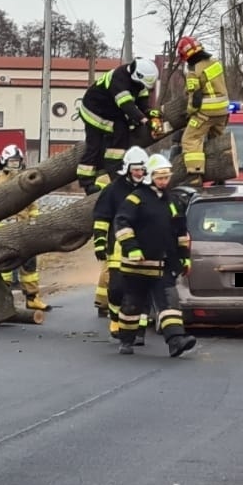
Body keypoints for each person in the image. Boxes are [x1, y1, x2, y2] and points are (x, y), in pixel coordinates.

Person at [112, 152, 197, 357]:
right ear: (150, 177)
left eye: (166, 177)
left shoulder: (173, 201)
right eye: (159, 177)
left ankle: (176, 340)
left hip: (164, 264)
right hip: (138, 265)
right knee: (133, 303)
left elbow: (181, 233)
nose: (163, 181)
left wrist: (184, 257)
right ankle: (126, 339)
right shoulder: (135, 199)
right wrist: (132, 248)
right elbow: (121, 223)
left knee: (169, 301)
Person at [91, 145, 152, 340]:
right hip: (118, 248)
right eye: (135, 169)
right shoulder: (113, 190)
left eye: (142, 169)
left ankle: (139, 329)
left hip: (145, 249)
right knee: (117, 289)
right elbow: (102, 218)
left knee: (142, 289)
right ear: (127, 169)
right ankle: (116, 318)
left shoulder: (151, 190)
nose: (139, 173)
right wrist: (100, 243)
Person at [77, 57, 158, 194]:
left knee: (121, 136)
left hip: (112, 111)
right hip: (94, 111)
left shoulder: (138, 81)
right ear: (136, 76)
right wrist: (143, 120)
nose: (142, 87)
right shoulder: (119, 80)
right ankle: (87, 183)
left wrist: (150, 112)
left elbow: (142, 100)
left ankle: (115, 170)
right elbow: (127, 105)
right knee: (94, 147)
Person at [0, 144, 51, 312]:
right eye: (12, 161)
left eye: (17, 161)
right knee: (4, 268)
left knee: (29, 266)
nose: (15, 165)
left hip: (23, 229)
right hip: (2, 231)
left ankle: (32, 298)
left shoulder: (25, 178)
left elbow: (32, 204)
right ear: (4, 161)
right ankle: (5, 303)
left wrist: (35, 222)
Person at [176, 35, 229, 187]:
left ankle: (194, 176)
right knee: (217, 141)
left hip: (207, 112)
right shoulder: (215, 63)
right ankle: (221, 175)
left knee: (190, 139)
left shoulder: (193, 71)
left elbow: (196, 98)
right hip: (223, 110)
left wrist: (189, 112)